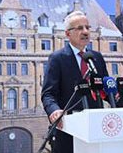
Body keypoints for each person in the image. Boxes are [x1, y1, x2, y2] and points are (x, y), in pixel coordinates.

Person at [41, 10, 109, 153]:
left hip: (97, 129)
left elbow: (105, 91)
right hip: (69, 132)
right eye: (79, 28)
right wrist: (54, 110)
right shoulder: (57, 58)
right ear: (67, 34)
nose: (85, 32)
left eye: (87, 27)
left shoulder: (97, 57)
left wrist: (119, 96)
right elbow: (48, 94)